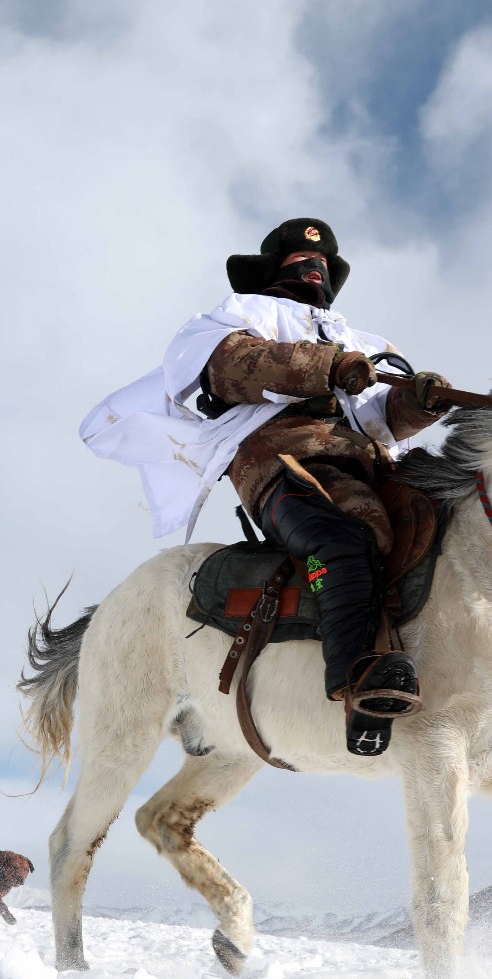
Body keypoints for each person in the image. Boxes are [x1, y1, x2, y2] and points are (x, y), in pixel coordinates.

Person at [81, 218, 454, 756]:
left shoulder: (356, 339)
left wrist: (416, 403)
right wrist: (325, 366)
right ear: (274, 269)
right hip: (281, 459)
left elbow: (378, 417)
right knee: (341, 535)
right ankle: (355, 680)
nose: (315, 268)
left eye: (323, 264)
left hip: (369, 463)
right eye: (302, 261)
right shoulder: (237, 315)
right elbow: (229, 366)